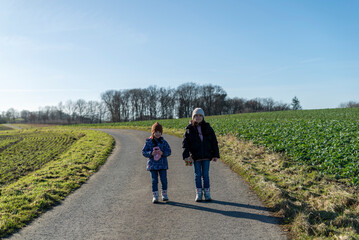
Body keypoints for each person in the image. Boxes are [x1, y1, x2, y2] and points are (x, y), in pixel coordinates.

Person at [182, 108, 220, 202]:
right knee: (197, 175)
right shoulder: (189, 129)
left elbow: (214, 142)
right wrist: (186, 155)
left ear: (203, 117)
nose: (198, 117)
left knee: (206, 175)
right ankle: (198, 193)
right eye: (196, 116)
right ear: (193, 117)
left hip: (206, 155)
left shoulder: (208, 128)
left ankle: (207, 193)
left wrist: (215, 154)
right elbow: (185, 144)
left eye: (200, 115)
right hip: (196, 156)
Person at [142, 122, 172, 203]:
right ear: (153, 132)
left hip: (162, 164)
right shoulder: (148, 142)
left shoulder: (164, 142)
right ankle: (155, 196)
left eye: (159, 132)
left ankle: (164, 194)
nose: (157, 134)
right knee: (154, 180)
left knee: (164, 180)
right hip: (152, 165)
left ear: (161, 133)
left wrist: (162, 153)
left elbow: (169, 151)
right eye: (156, 132)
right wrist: (151, 153)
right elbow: (144, 152)